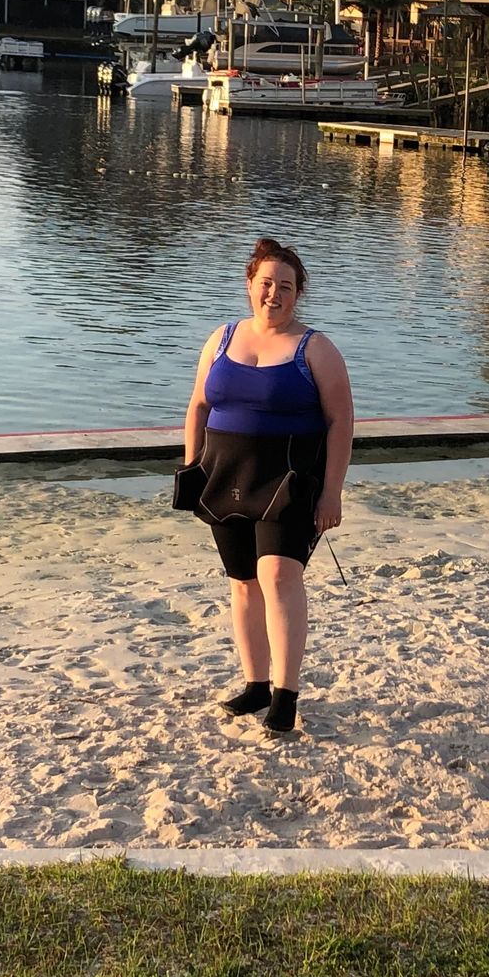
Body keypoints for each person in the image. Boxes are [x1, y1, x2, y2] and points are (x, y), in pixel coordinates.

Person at [182, 238, 354, 735]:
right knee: (242, 583)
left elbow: (340, 423)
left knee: (279, 576)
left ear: (299, 293)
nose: (274, 295)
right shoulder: (221, 339)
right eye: (266, 284)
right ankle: (255, 684)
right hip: (225, 478)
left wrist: (332, 492)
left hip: (292, 481)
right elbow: (198, 407)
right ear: (250, 286)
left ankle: (285, 693)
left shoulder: (316, 348)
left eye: (285, 287)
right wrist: (191, 469)